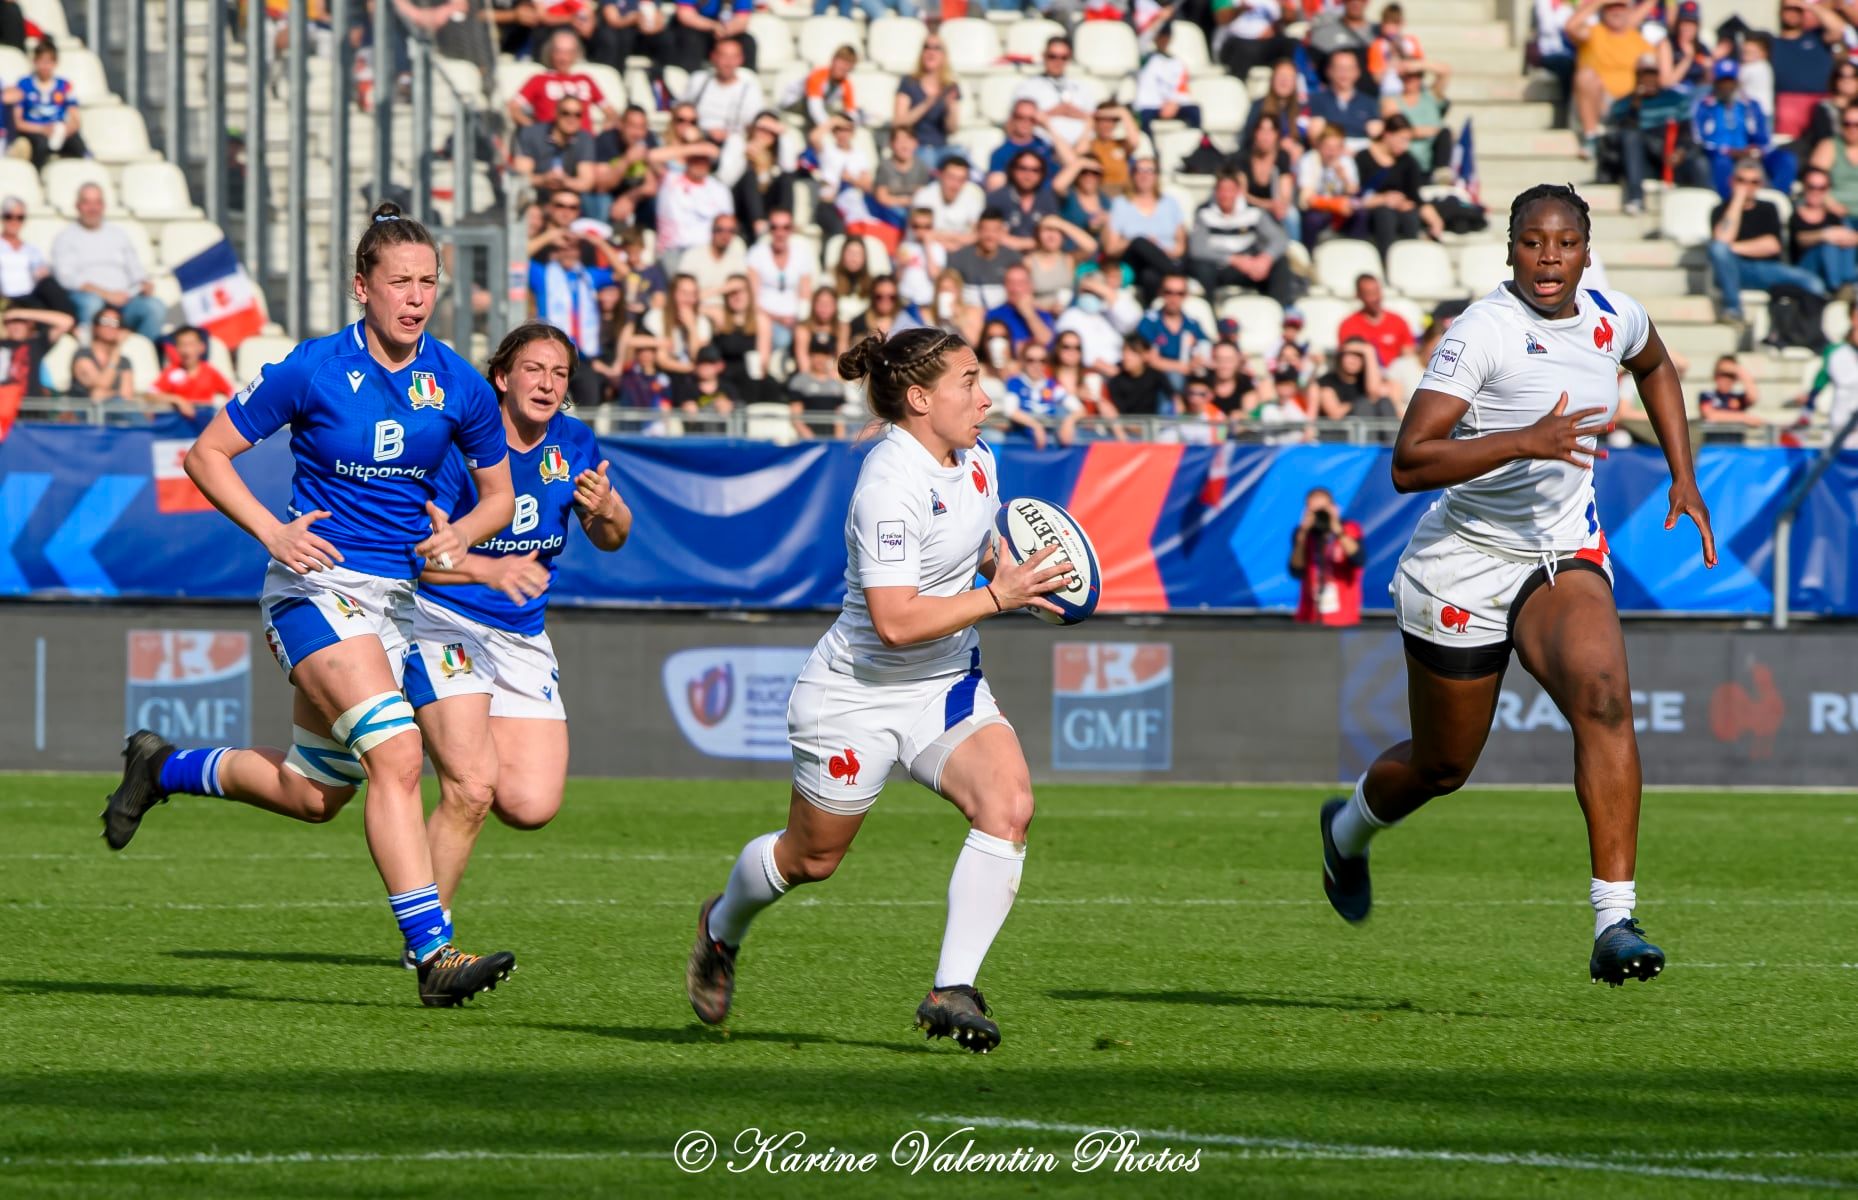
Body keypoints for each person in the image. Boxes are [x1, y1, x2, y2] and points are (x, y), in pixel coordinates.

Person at [102, 203, 523, 1007]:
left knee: (314, 795)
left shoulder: (459, 382)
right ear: (361, 286)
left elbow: (497, 496)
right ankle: (435, 957)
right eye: (400, 281)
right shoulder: (313, 367)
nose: (416, 297)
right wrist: (273, 531)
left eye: (429, 282)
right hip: (313, 591)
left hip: (394, 606)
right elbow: (207, 454)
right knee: (398, 757)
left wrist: (458, 534)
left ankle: (164, 766)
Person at [1320, 183, 1715, 990]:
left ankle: (1615, 920)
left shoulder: (1613, 314)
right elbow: (1410, 462)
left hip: (1563, 553)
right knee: (1442, 766)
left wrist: (1685, 475)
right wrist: (1522, 441)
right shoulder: (1484, 333)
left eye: (1563, 244)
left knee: (1604, 694)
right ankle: (1348, 828)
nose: (1548, 259)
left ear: (1585, 249)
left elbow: (1656, 364)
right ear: (1509, 249)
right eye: (1532, 243)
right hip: (1464, 557)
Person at [684, 327, 1069, 1051]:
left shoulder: (978, 459)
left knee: (1009, 805)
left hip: (945, 685)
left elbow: (979, 544)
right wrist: (999, 598)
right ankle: (721, 924)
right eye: (968, 382)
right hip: (855, 695)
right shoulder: (888, 484)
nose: (986, 397)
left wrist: (1014, 569)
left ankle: (951, 989)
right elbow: (893, 622)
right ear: (920, 399)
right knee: (811, 860)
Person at [405, 323, 630, 951]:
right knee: (472, 790)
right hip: (442, 620)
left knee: (530, 805)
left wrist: (608, 507)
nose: (548, 384)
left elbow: (613, 536)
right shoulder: (457, 446)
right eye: (534, 370)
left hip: (521, 636)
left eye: (559, 375)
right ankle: (426, 936)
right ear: (501, 377)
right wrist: (487, 568)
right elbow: (415, 556)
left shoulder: (574, 442)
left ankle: (436, 751)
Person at [1708, 163, 1825, 332]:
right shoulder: (1719, 210)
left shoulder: (1768, 208)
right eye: (1742, 181)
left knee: (1813, 283)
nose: (1747, 186)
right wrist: (1738, 201)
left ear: (1760, 184)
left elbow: (1772, 245)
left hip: (1767, 269)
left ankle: (1811, 329)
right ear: (1732, 181)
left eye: (1754, 182)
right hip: (1733, 270)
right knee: (1718, 249)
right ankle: (1733, 310)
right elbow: (1721, 241)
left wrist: (1732, 248)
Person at [51, 185, 167, 341]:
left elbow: (136, 270)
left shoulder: (118, 235)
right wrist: (107, 294)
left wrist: (143, 284)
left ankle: (147, 356)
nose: (93, 208)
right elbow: (66, 279)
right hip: (95, 305)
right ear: (77, 206)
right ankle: (89, 356)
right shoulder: (65, 238)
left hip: (124, 306)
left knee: (154, 307)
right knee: (92, 304)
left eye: (97, 202)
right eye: (87, 202)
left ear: (103, 206)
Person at [1604, 54, 1706, 215]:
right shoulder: (1623, 103)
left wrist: (1681, 151)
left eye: (1653, 74)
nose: (1649, 79)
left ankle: (1706, 207)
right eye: (1644, 75)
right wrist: (1636, 102)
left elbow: (1687, 133)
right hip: (1638, 160)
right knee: (1632, 136)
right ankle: (1635, 198)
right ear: (1637, 76)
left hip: (1669, 155)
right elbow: (1618, 133)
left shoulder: (1675, 99)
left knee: (1700, 162)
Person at [528, 231, 617, 408]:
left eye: (574, 249)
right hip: (552, 352)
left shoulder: (587, 276)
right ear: (556, 252)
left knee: (589, 409)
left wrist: (597, 242)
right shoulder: (544, 274)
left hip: (582, 357)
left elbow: (622, 272)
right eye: (564, 249)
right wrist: (549, 236)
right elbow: (517, 256)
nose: (569, 253)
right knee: (549, 407)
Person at [1187, 172, 1296, 305]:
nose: (1226, 195)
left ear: (1238, 192)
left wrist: (1265, 259)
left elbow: (1280, 238)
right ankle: (1210, 314)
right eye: (1222, 190)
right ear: (1216, 192)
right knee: (1202, 270)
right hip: (1220, 267)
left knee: (1280, 263)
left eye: (1230, 190)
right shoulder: (1204, 214)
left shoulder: (1254, 213)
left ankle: (1282, 311)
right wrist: (1234, 260)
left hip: (1251, 266)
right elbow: (1198, 249)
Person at [1694, 59, 1793, 200]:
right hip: (1720, 155)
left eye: (1730, 81)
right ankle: (1727, 202)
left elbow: (1763, 137)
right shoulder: (1704, 106)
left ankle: (1778, 200)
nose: (1727, 86)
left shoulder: (1751, 105)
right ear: (1716, 83)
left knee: (1785, 159)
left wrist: (1756, 150)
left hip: (1750, 153)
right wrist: (1729, 151)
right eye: (1723, 82)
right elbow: (1700, 140)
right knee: (1722, 163)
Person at [1568, 0, 1655, 160]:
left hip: (1628, 104)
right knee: (1586, 76)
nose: (1616, 11)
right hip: (1598, 102)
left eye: (1620, 7)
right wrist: (1599, 2)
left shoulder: (1638, 40)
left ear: (1629, 11)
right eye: (1611, 7)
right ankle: (1590, 137)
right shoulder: (1594, 33)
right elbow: (1570, 27)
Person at [509, 30, 616, 131]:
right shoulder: (539, 79)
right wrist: (534, 131)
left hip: (584, 142)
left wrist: (601, 134)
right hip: (549, 143)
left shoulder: (585, 80)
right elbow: (513, 107)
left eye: (568, 52)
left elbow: (611, 113)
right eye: (559, 52)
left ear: (576, 54)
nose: (563, 58)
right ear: (551, 53)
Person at [1290, 486, 1364, 625]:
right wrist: (1303, 533)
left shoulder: (1349, 529)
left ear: (1333, 508)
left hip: (1343, 618)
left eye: (1322, 511)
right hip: (1310, 617)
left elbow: (1359, 559)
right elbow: (1296, 570)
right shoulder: (1303, 535)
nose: (1319, 516)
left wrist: (1337, 530)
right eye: (1315, 512)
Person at [745, 209, 811, 361]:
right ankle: (762, 373)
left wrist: (798, 318)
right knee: (769, 330)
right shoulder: (757, 254)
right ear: (769, 230)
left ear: (792, 229)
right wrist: (778, 318)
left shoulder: (801, 254)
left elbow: (805, 293)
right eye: (775, 227)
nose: (780, 233)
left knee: (804, 333)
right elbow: (753, 297)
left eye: (785, 227)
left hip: (794, 318)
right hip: (765, 316)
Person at [1014, 37, 1102, 151]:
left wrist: (1074, 113)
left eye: (1063, 58)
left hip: (1082, 148)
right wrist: (1055, 111)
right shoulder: (1028, 87)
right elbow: (1020, 121)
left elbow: (1093, 117)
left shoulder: (1081, 87)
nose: (1058, 62)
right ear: (1044, 56)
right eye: (1052, 56)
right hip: (1043, 149)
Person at [512, 95, 600, 209]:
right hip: (536, 196)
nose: (571, 119)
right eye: (565, 113)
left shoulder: (585, 139)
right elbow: (521, 177)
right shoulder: (531, 134)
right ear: (555, 113)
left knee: (594, 201)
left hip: (568, 199)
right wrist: (544, 179)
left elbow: (587, 182)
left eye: (577, 114)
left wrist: (564, 181)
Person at [11, 39, 86, 169]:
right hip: (34, 131)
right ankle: (36, 178)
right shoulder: (24, 85)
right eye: (41, 61)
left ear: (55, 63)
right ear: (35, 61)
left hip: (58, 131)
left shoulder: (64, 86)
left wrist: (65, 130)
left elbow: (75, 119)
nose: (45, 66)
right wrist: (42, 129)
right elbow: (18, 122)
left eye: (49, 62)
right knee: (40, 145)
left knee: (78, 145)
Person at [0, 303, 71, 435]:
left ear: (29, 324)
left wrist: (21, 313)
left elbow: (65, 322)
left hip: (32, 409)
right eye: (10, 322)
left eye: (20, 322)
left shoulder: (36, 344)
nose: (15, 326)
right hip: (3, 410)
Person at [1789, 167, 1858, 295]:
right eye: (1812, 187)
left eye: (1822, 188)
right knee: (1829, 244)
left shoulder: (1832, 217)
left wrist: (1843, 235)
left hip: (1834, 265)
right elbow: (1800, 239)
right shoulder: (1795, 213)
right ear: (1804, 186)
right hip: (1806, 267)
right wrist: (1825, 235)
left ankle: (1846, 284)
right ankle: (1837, 287)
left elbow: (1851, 237)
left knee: (1845, 242)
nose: (1816, 192)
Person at [150, 325, 235, 428]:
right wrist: (177, 400)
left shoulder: (210, 371)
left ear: (201, 347)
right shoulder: (171, 371)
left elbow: (231, 393)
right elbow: (151, 394)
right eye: (182, 345)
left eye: (191, 344)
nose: (186, 350)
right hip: (178, 425)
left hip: (204, 424)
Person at [895, 36, 962, 167]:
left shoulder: (950, 86)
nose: (931, 52)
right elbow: (899, 122)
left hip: (942, 146)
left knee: (960, 158)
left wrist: (950, 108)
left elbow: (952, 129)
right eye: (927, 47)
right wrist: (926, 104)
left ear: (944, 55)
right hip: (918, 146)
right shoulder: (909, 82)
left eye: (937, 48)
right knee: (927, 159)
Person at [0, 196, 73, 316]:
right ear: (2, 218)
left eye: (20, 217)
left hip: (29, 297)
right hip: (5, 298)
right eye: (9, 217)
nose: (14, 221)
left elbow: (41, 275)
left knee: (49, 284)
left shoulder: (32, 250)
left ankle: (73, 322)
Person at [683, 35, 759, 143]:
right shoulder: (698, 80)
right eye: (724, 56)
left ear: (741, 59)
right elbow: (682, 111)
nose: (728, 63)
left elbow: (754, 122)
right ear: (713, 57)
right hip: (699, 137)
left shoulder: (749, 86)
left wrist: (729, 135)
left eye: (734, 57)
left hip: (736, 140)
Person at [1337, 274, 1416, 368]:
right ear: (1359, 295)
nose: (1375, 298)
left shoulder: (1398, 321)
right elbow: (1347, 360)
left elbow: (1408, 356)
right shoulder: (1348, 325)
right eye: (1369, 294)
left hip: (1394, 378)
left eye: (1377, 292)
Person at [1134, 24, 1200, 132]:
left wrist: (1174, 103)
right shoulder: (1145, 58)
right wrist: (1160, 20)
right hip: (1149, 106)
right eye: (1160, 36)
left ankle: (1196, 144)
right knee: (1142, 118)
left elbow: (1182, 89)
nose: (1163, 39)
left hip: (1172, 105)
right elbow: (1142, 42)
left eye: (1166, 36)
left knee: (1194, 111)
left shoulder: (1178, 63)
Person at [1694, 354, 1765, 442]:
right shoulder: (1707, 395)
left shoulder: (1738, 398)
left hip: (1735, 449)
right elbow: (1711, 415)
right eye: (1722, 374)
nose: (1725, 379)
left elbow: (1754, 397)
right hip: (1713, 450)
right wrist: (1744, 418)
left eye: (1730, 376)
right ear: (1715, 376)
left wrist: (1739, 371)